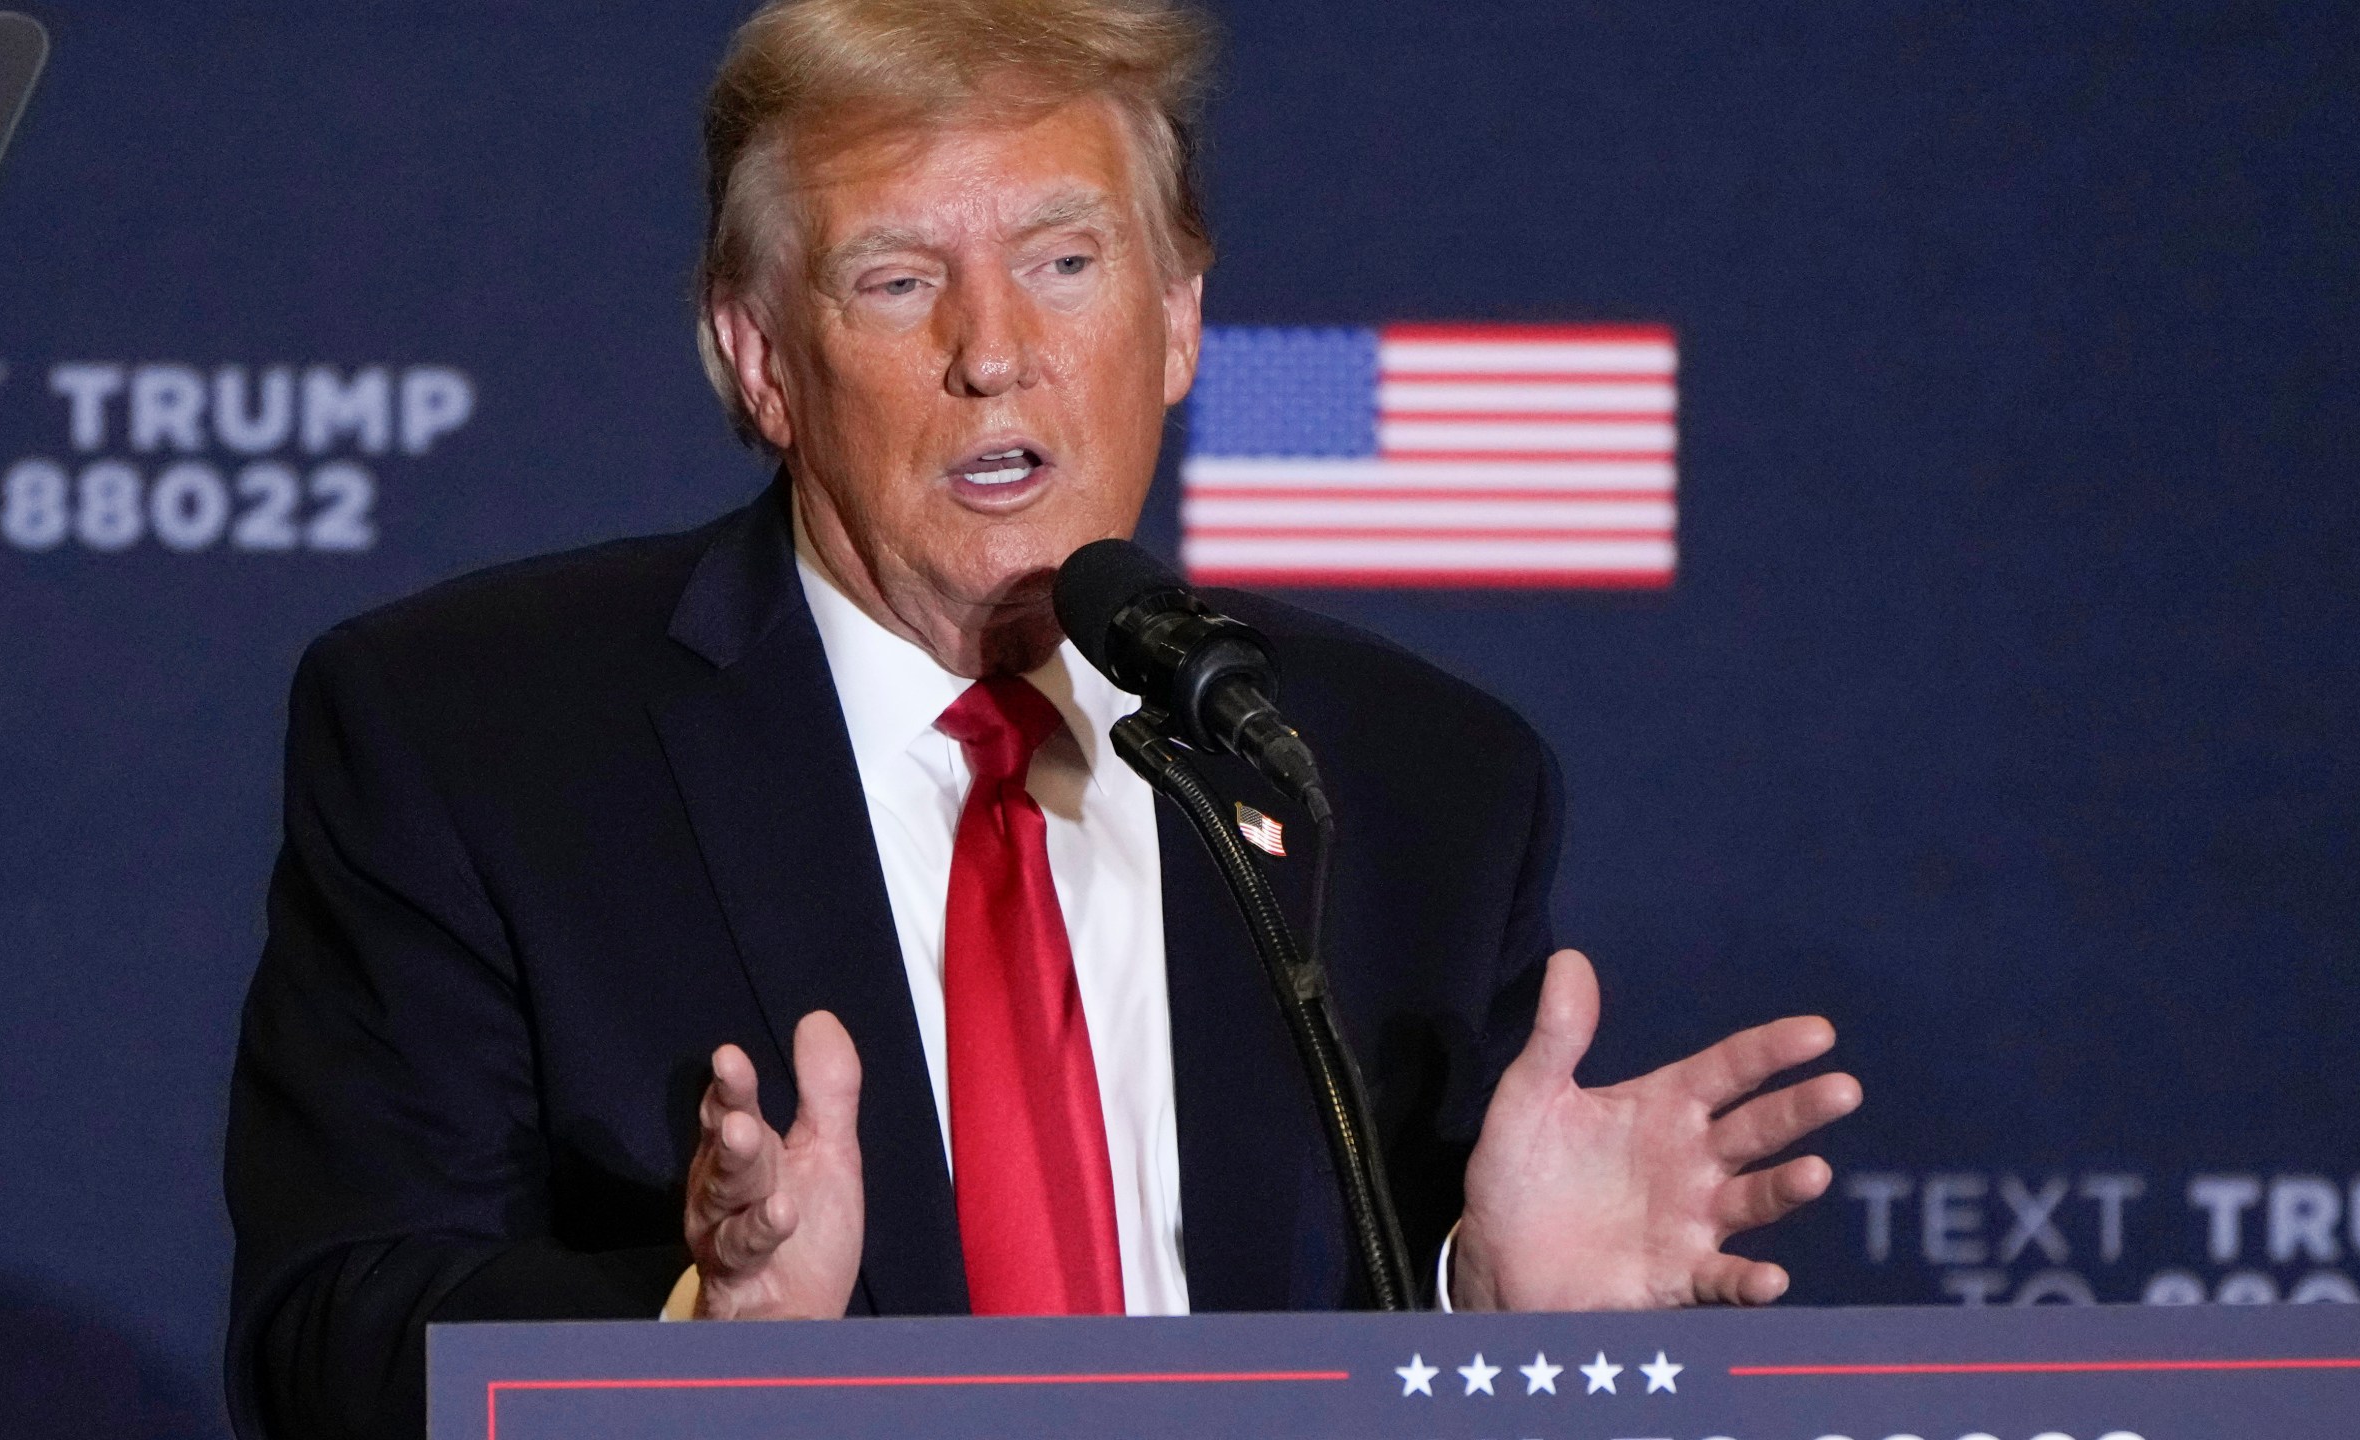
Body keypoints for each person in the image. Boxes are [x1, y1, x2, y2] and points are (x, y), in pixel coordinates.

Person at [223, 1, 1863, 1436]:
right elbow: (328, 1340)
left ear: (1176, 321)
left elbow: (1409, 1363)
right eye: (896, 279)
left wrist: (1482, 1313)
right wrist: (696, 1350)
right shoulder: (476, 737)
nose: (994, 354)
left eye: (1066, 263)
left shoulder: (1412, 777)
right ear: (760, 360)